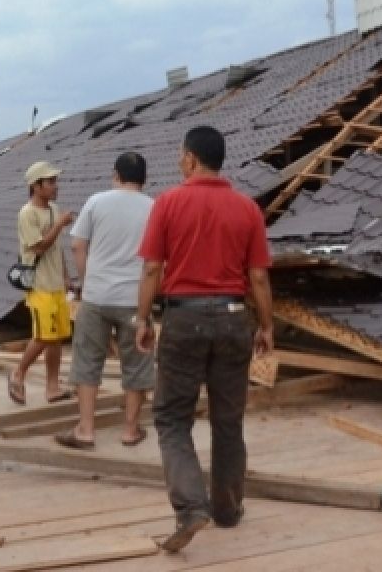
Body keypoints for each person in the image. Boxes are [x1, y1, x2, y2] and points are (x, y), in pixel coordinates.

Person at [135, 126, 275, 553]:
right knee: (228, 419)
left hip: (183, 319)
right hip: (234, 319)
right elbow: (257, 277)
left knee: (173, 419)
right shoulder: (247, 208)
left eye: (181, 155)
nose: (180, 162)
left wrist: (142, 318)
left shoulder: (168, 203)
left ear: (191, 159)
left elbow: (152, 270)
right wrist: (266, 327)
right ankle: (228, 508)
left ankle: (191, 507)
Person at [57, 152, 154, 450]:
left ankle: (85, 429)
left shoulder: (96, 201)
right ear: (144, 179)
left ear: (115, 175)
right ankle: (130, 430)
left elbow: (76, 245)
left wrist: (88, 282)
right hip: (134, 300)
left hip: (96, 297)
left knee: (87, 361)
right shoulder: (154, 207)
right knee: (136, 363)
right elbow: (156, 262)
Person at [8, 161, 75, 406]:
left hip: (56, 283)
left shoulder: (54, 209)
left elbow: (56, 249)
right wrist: (59, 225)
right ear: (36, 186)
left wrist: (66, 276)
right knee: (44, 336)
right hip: (39, 285)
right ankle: (18, 373)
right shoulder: (27, 214)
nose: (55, 186)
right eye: (50, 182)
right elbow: (39, 246)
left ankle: (53, 387)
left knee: (56, 337)